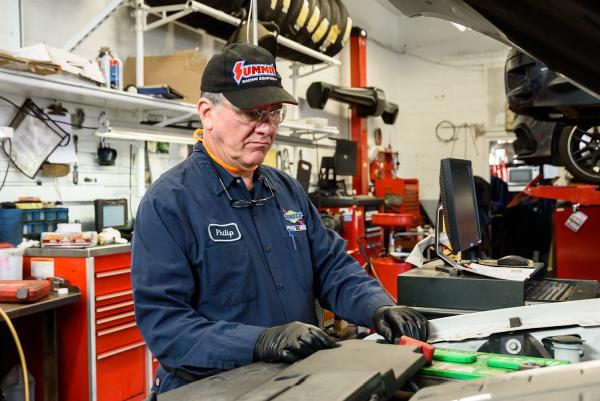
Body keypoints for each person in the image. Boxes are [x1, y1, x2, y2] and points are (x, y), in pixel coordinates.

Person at [131, 42, 429, 394]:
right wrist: (259, 342)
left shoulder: (286, 190)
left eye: (273, 113)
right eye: (251, 113)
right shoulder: (169, 202)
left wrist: (376, 307)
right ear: (207, 112)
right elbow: (167, 326)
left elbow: (332, 267)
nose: (266, 128)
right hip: (210, 388)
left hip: (295, 382)